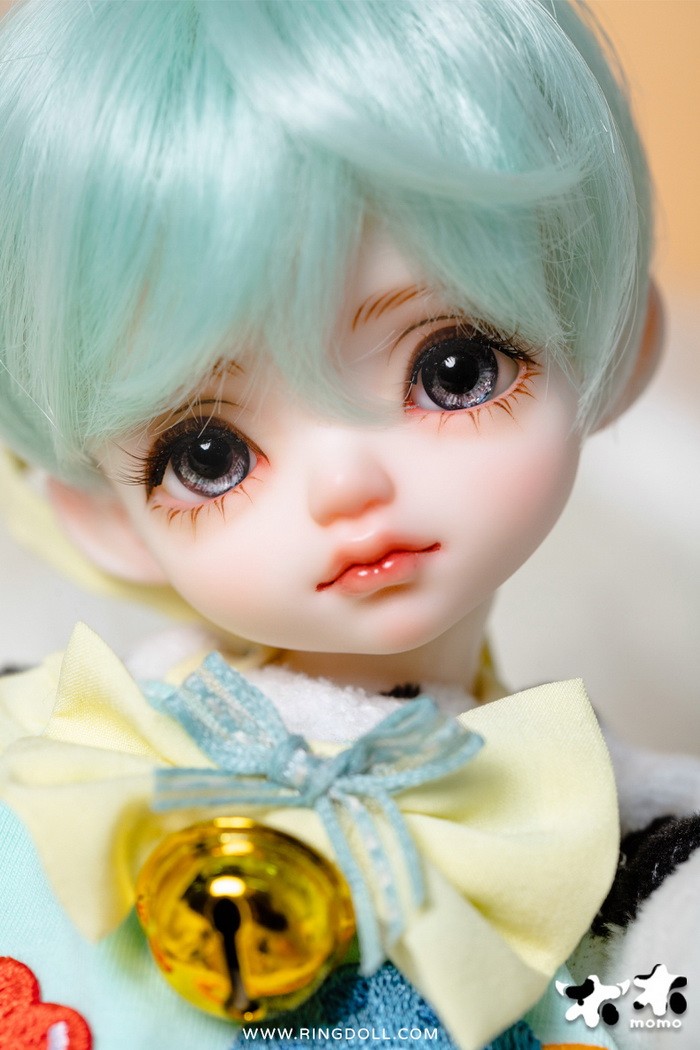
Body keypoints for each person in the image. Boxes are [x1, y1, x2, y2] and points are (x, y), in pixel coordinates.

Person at [0, 2, 697, 1049]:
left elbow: (638, 1002)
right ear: (107, 517)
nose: (346, 486)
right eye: (208, 454)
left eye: (452, 367)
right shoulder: (75, 762)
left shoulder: (597, 830)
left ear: (616, 345)